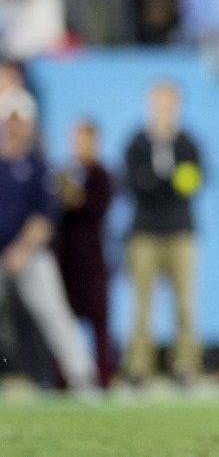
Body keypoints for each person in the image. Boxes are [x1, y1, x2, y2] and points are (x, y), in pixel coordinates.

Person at [0, 90, 97, 392]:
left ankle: (82, 377)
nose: (15, 127)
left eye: (20, 121)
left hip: (29, 254)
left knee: (56, 312)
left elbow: (43, 218)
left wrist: (20, 250)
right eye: (10, 120)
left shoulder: (38, 166)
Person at [122, 80, 203, 385]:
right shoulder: (137, 144)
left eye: (170, 106)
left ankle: (185, 365)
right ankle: (138, 366)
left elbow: (191, 183)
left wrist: (156, 181)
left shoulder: (187, 144)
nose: (164, 112)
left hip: (180, 231)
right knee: (142, 305)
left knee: (185, 304)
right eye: (159, 105)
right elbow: (135, 185)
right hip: (145, 232)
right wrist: (165, 182)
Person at [54, 119, 115, 388]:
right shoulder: (63, 173)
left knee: (99, 318)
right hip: (66, 258)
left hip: (93, 257)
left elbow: (98, 207)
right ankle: (62, 378)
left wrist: (78, 199)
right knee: (62, 319)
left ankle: (103, 376)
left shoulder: (101, 175)